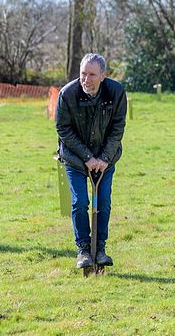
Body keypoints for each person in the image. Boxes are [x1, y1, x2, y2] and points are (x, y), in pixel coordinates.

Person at [55, 53, 127, 269]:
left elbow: (117, 128)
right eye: (83, 74)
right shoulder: (67, 94)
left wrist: (104, 158)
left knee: (103, 202)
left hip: (106, 158)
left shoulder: (116, 92)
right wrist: (87, 157)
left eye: (92, 75)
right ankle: (83, 250)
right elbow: (63, 130)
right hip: (75, 158)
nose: (86, 79)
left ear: (103, 75)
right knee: (80, 203)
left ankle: (101, 249)